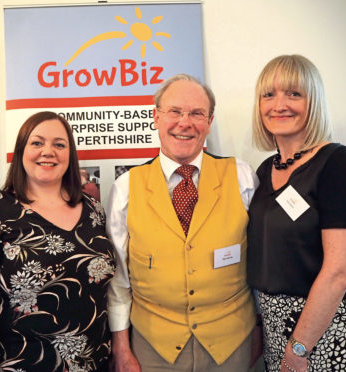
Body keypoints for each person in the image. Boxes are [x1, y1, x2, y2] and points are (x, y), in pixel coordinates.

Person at [106, 74, 260, 371]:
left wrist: (258, 330)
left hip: (231, 346)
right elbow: (119, 280)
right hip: (152, 349)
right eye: (174, 112)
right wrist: (122, 348)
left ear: (210, 121)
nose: (184, 122)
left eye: (197, 113)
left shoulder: (242, 177)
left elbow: (259, 263)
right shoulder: (126, 188)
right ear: (156, 117)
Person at [0, 111, 116, 372]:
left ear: (70, 154)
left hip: (93, 364)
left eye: (59, 144)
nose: (48, 151)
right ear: (21, 151)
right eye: (37, 143)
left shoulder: (93, 210)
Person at [247, 55, 346, 372]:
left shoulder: (338, 163)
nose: (279, 105)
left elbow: (339, 272)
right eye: (269, 95)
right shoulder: (264, 170)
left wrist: (299, 347)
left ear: (313, 101)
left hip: (323, 332)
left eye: (294, 94)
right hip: (275, 329)